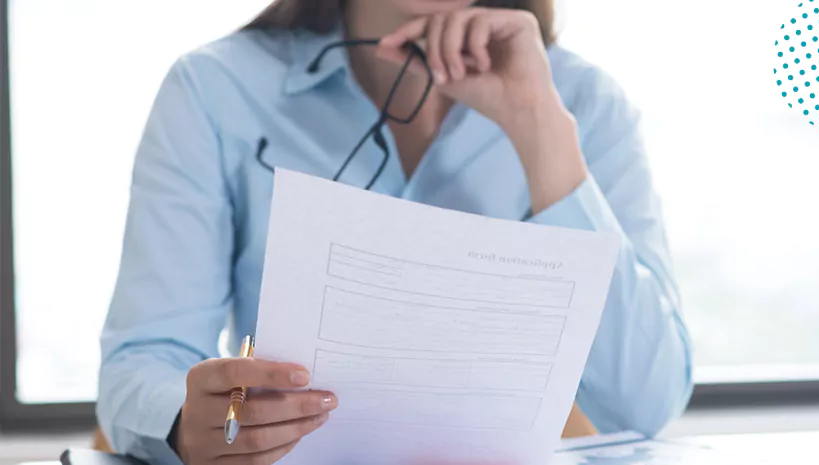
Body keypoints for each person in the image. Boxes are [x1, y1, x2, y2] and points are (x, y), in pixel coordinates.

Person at [97, 0, 693, 464]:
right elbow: (142, 361)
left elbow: (645, 402)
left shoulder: (585, 102)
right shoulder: (214, 89)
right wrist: (187, 422)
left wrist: (541, 129)